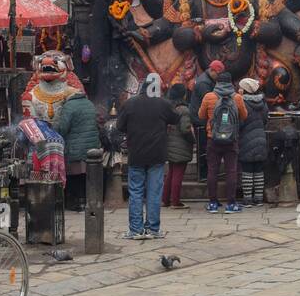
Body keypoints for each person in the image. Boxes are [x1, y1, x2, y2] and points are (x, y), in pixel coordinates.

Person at [115, 86, 179, 239]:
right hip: (157, 154)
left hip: (136, 154)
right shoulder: (162, 104)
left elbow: (119, 126)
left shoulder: (130, 104)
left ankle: (136, 230)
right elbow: (176, 118)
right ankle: (153, 228)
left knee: (136, 191)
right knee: (154, 192)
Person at [51, 79, 103, 212]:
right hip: (91, 147)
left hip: (75, 147)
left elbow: (63, 128)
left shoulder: (69, 106)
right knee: (86, 175)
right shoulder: (89, 104)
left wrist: (53, 126)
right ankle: (86, 201)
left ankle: (76, 202)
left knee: (74, 176)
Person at [198, 72, 246, 213]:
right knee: (231, 171)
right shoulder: (237, 97)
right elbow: (244, 116)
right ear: (231, 82)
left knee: (212, 170)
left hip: (212, 138)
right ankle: (231, 204)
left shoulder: (209, 97)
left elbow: (200, 115)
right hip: (232, 139)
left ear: (217, 82)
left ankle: (213, 203)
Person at [189, 59, 225, 181]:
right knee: (203, 148)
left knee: (205, 147)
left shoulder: (207, 79)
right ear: (213, 71)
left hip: (201, 118)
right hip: (200, 121)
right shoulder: (204, 83)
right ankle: (203, 174)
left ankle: (205, 173)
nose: (219, 77)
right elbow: (211, 103)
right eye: (218, 74)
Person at [237, 77, 269, 206]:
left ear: (244, 91)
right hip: (261, 138)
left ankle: (248, 199)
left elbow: (240, 122)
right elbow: (265, 120)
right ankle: (259, 198)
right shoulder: (263, 103)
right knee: (259, 170)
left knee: (247, 171)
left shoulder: (242, 104)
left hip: (246, 139)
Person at [163, 83, 195, 209]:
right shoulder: (184, 110)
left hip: (170, 144)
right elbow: (185, 129)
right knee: (178, 174)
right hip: (181, 145)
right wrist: (192, 140)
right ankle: (175, 202)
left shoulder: (169, 107)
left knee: (171, 173)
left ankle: (165, 199)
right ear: (183, 94)